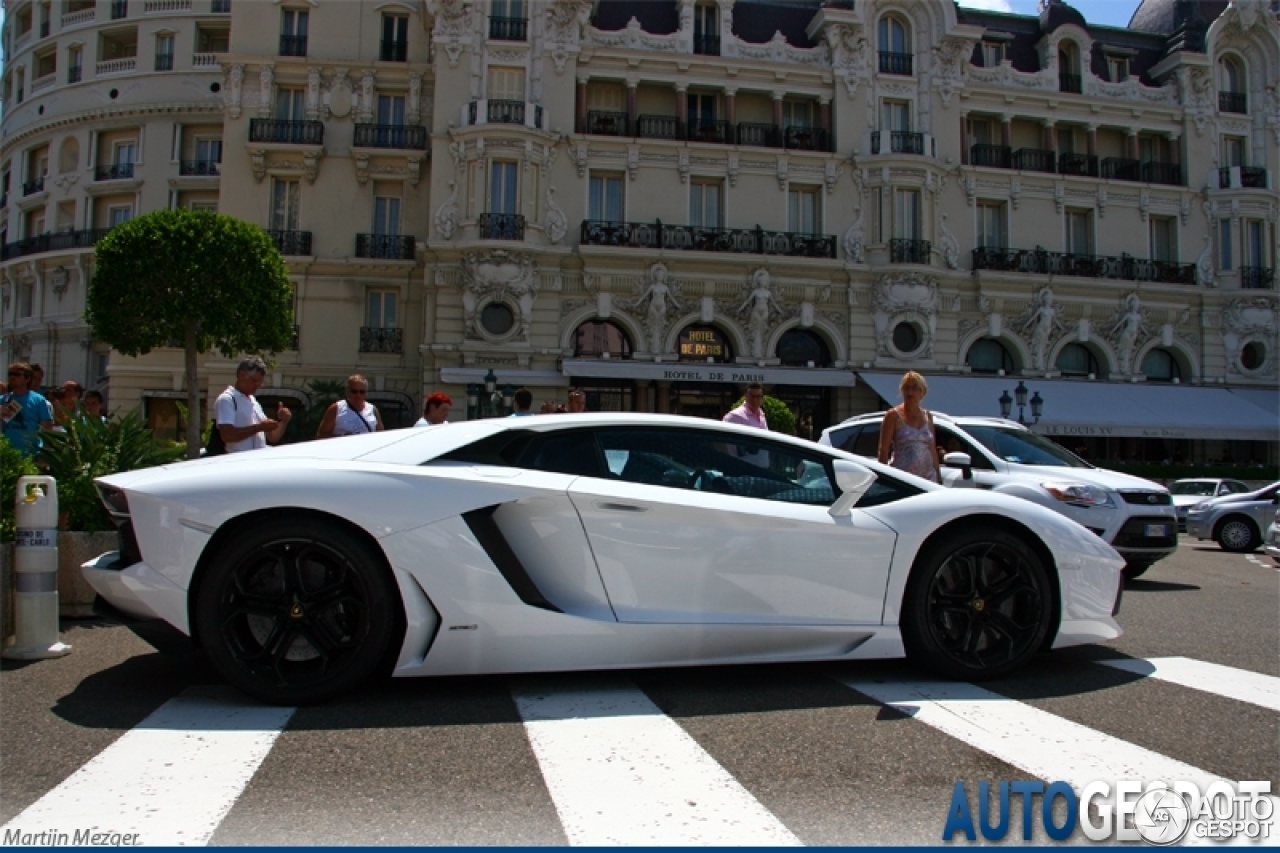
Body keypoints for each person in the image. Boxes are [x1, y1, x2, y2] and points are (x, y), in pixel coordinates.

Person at [215, 356, 291, 452]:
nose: (257, 385)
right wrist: (259, 428)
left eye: (260, 382)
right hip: (238, 460)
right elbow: (227, 435)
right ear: (242, 375)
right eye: (255, 381)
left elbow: (272, 437)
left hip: (257, 460)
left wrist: (283, 421)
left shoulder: (253, 401)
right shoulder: (227, 399)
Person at [877, 371, 939, 483]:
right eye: (906, 388)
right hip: (903, 479)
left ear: (922, 392)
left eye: (914, 388)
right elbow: (884, 449)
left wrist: (939, 478)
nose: (910, 392)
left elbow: (932, 449)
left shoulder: (927, 416)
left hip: (928, 478)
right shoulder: (893, 416)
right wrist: (884, 479)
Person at [0, 362, 54, 457]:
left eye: (17, 374)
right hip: (7, 454)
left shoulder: (39, 400)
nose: (12, 377)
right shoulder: (3, 399)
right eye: (10, 374)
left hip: (30, 455)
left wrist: (46, 455)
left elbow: (47, 429)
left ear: (27, 379)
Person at [316, 374, 383, 438]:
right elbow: (321, 435)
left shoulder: (373, 409)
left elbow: (381, 436)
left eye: (362, 392)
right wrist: (342, 438)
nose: (358, 395)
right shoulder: (336, 408)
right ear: (347, 391)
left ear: (366, 393)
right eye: (354, 391)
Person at [723, 383, 770, 466]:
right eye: (752, 396)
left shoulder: (762, 415)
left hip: (762, 470)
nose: (755, 400)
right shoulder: (735, 416)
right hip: (743, 470)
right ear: (746, 396)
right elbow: (723, 444)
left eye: (758, 397)